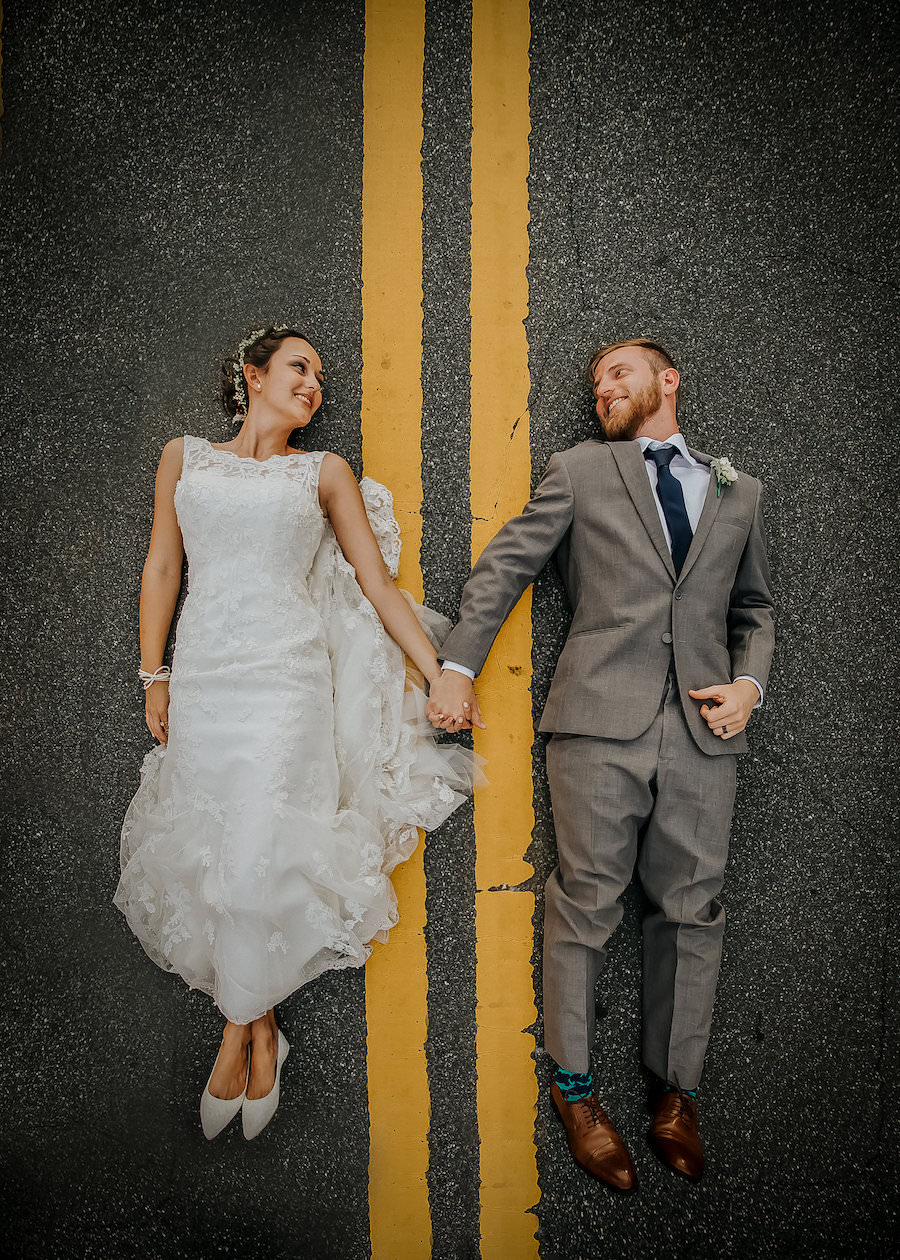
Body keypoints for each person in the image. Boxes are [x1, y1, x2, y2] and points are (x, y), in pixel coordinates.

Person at [427, 339, 774, 1188]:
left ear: (668, 380)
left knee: (692, 910)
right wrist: (457, 663)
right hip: (596, 726)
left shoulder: (740, 491)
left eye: (618, 373)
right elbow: (510, 562)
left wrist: (749, 686)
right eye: (595, 383)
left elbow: (754, 607)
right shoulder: (581, 469)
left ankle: (674, 1093)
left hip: (704, 731)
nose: (603, 389)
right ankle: (576, 1090)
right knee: (585, 903)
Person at [114, 326, 476, 1141]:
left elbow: (377, 587)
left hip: (285, 682)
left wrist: (438, 670)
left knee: (258, 856)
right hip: (208, 677)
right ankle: (262, 1026)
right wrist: (153, 673)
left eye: (319, 377)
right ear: (254, 375)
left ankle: (237, 1029)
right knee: (220, 852)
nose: (314, 385)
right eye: (299, 368)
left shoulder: (323, 473)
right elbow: (162, 567)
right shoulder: (186, 458)